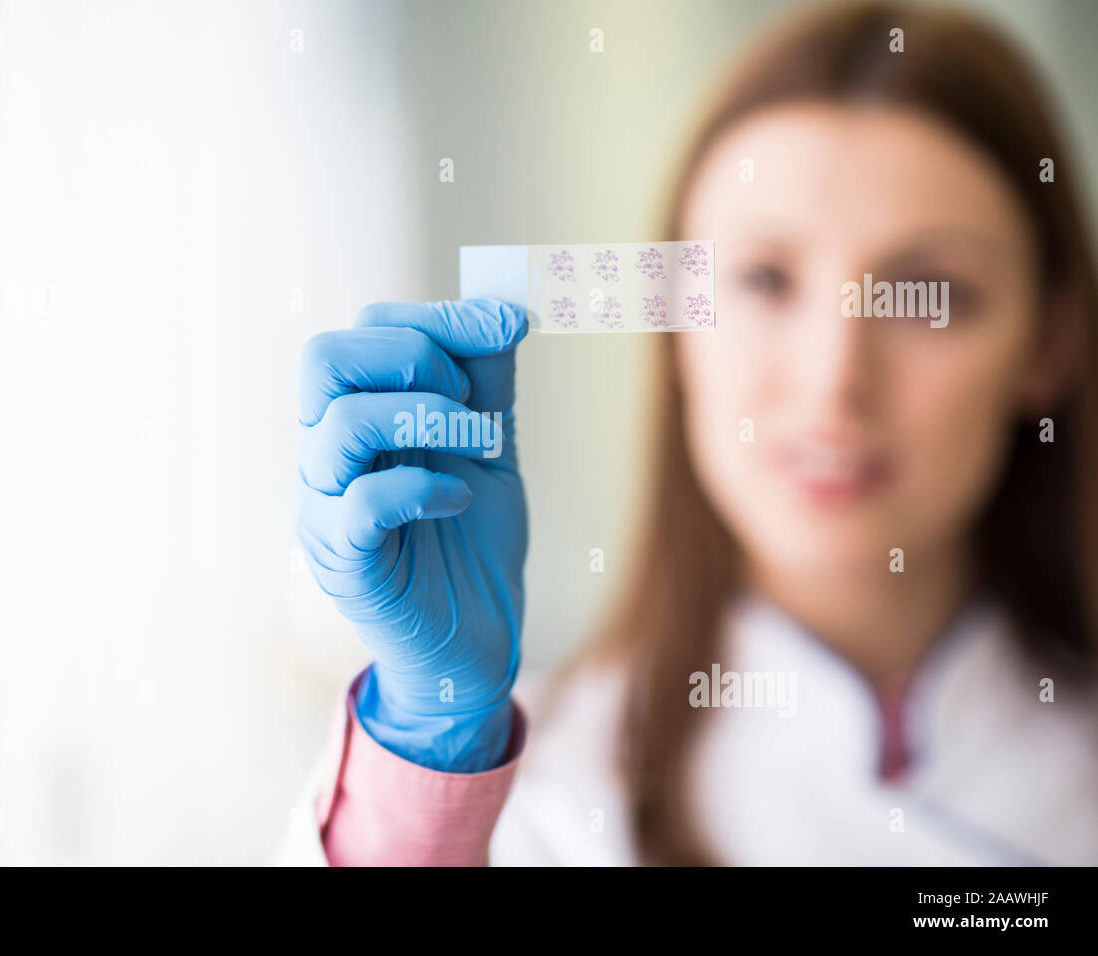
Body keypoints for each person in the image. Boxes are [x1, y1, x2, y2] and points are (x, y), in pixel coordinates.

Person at [280, 0, 1098, 865]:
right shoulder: (538, 799)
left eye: (928, 293)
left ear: (1049, 344)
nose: (834, 378)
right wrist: (426, 752)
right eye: (765, 279)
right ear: (675, 330)